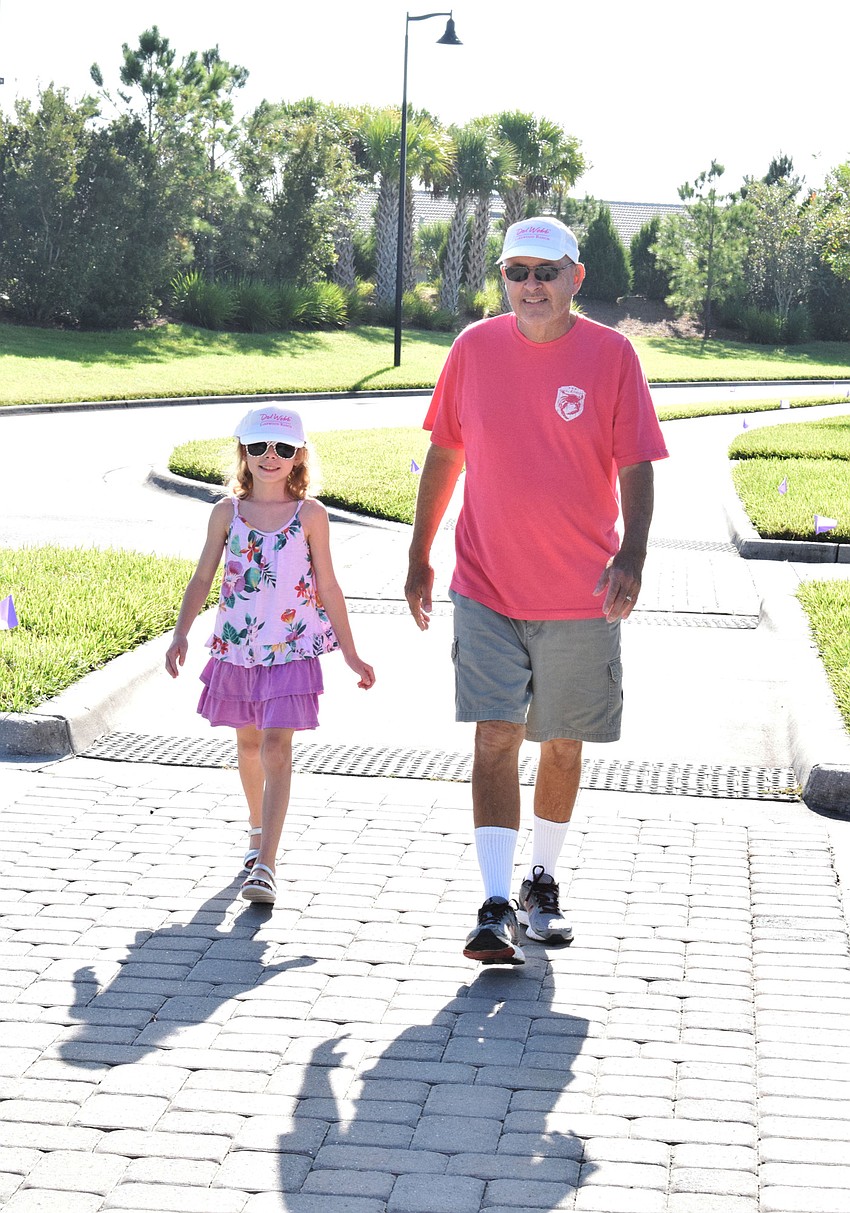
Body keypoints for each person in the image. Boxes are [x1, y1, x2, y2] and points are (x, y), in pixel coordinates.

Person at [405, 216, 668, 966]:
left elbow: (637, 463)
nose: (530, 285)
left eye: (545, 271)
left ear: (575, 278)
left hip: (582, 591)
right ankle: (493, 902)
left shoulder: (613, 357)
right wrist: (420, 552)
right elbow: (445, 451)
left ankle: (541, 881)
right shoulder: (473, 349)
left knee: (561, 740)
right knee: (494, 734)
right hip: (485, 583)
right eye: (516, 271)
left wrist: (634, 554)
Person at [166, 406, 375, 905]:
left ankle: (267, 865)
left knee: (277, 748)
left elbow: (328, 585)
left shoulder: (311, 515)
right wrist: (180, 633)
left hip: (292, 649)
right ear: (244, 451)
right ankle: (256, 832)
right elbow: (202, 579)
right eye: (259, 447)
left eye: (282, 448)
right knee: (248, 747)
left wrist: (351, 654)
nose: (270, 457)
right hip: (237, 649)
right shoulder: (226, 512)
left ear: (299, 455)